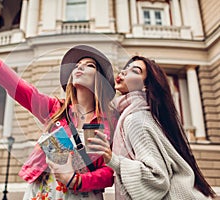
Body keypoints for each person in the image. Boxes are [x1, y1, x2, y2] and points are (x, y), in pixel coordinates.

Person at [0, 15, 116, 200]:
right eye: (77, 65)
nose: (79, 68)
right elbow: (17, 85)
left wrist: (76, 180)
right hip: (43, 192)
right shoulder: (55, 109)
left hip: (82, 195)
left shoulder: (110, 121)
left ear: (99, 78)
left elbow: (111, 171)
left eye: (89, 65)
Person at [88, 56, 216, 199]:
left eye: (135, 71)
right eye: (125, 68)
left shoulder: (136, 119)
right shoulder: (142, 114)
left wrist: (113, 160)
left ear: (146, 86)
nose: (123, 72)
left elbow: (157, 178)